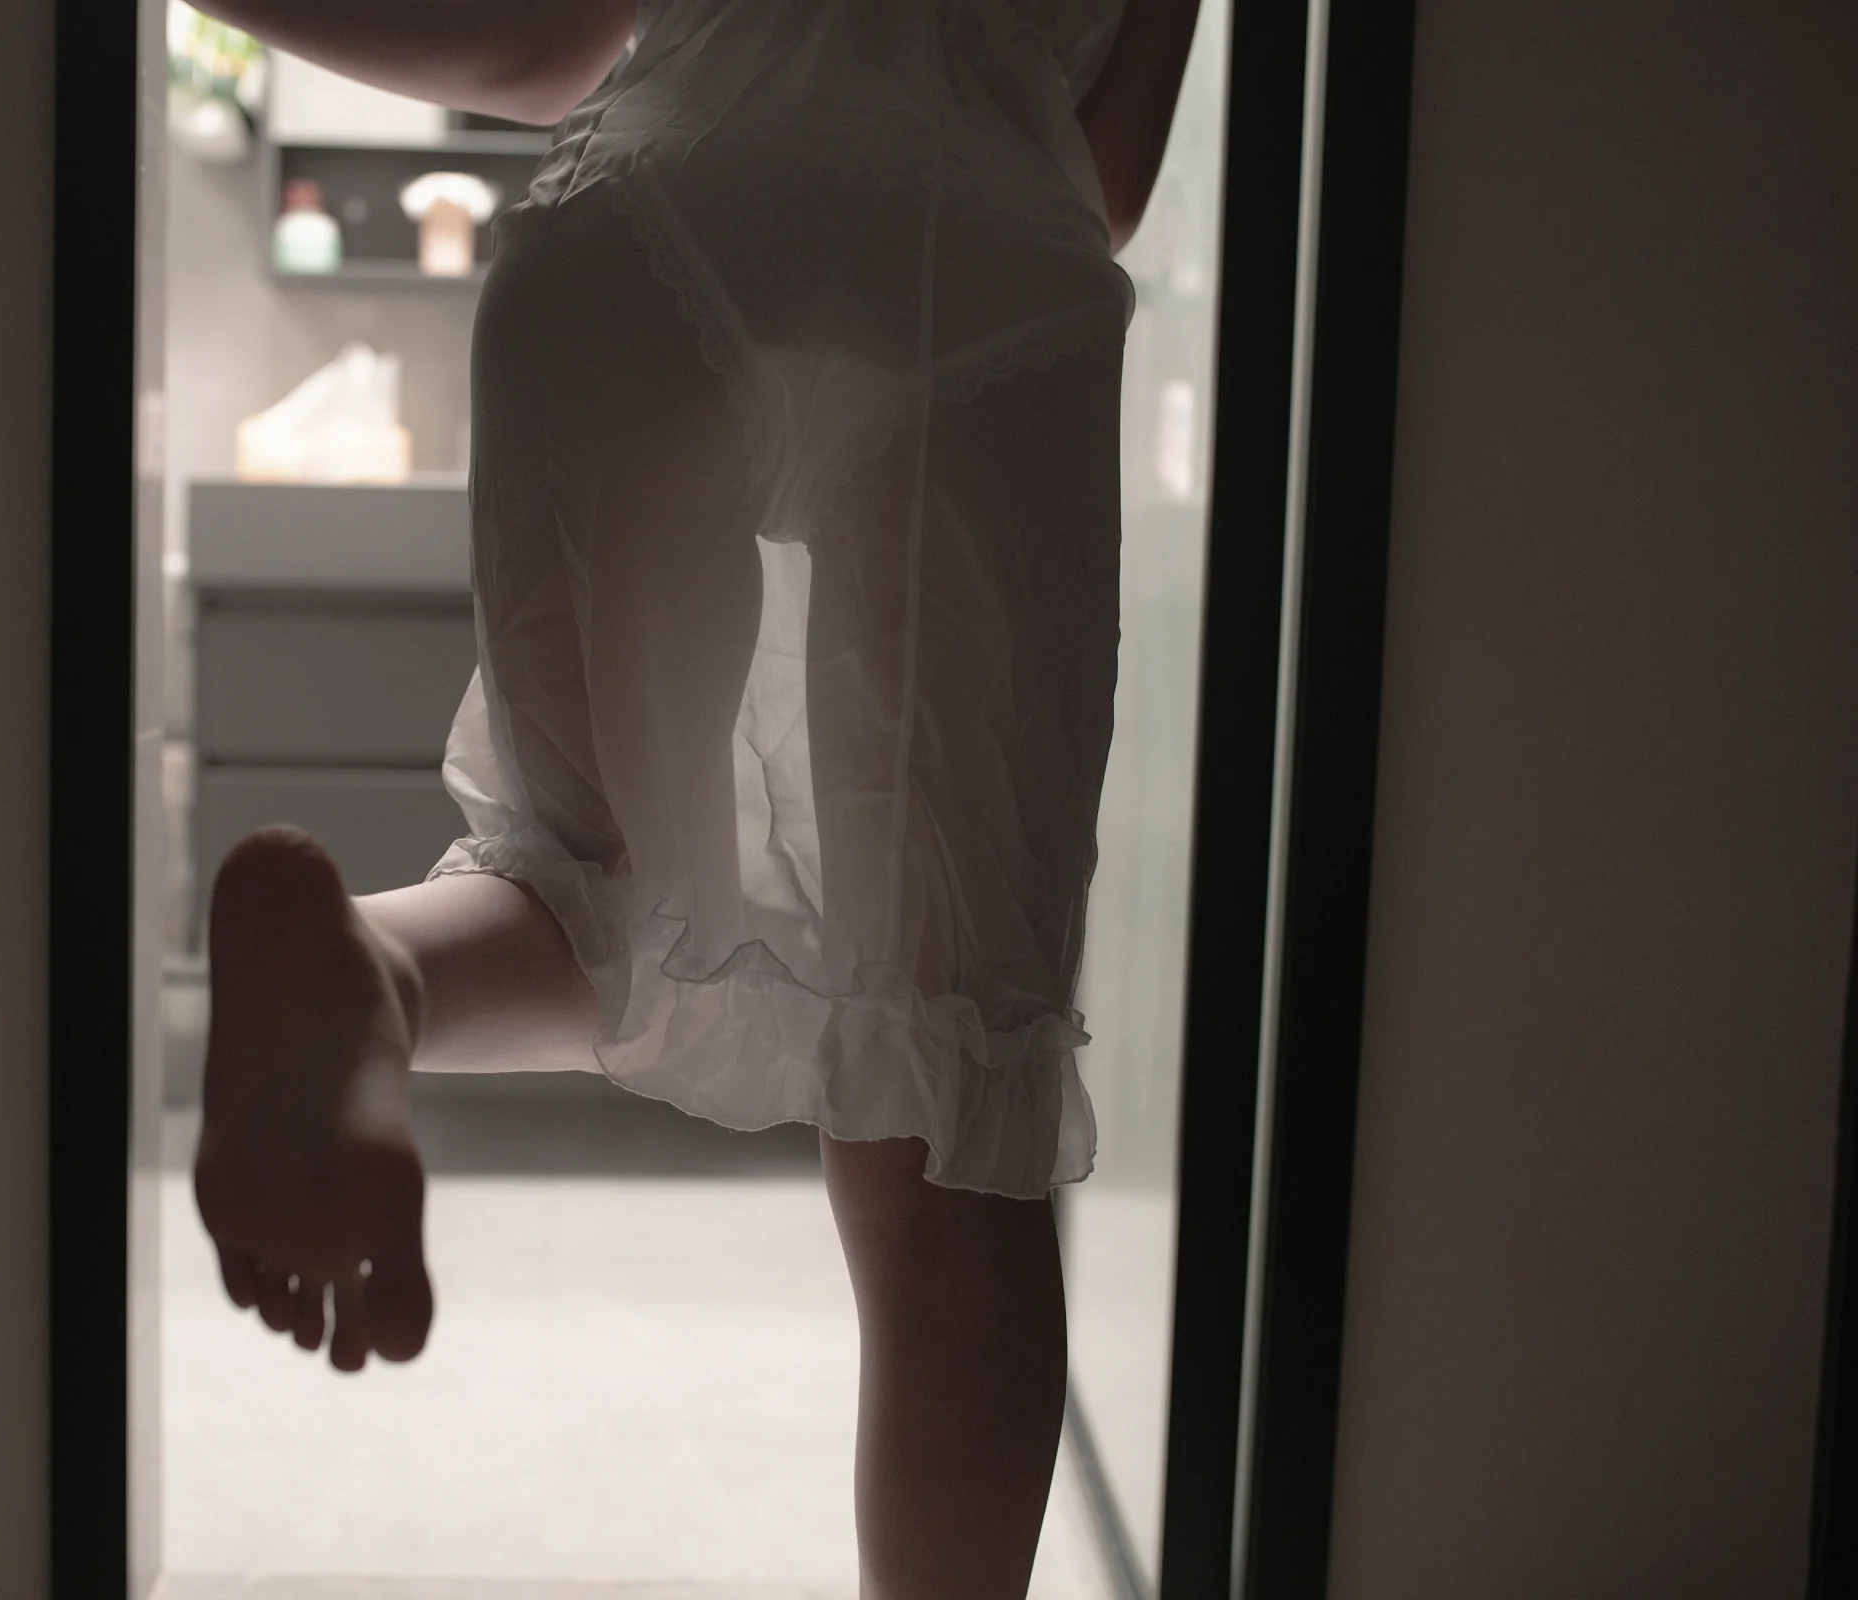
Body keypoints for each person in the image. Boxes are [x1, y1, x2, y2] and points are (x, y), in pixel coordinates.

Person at [190, 1, 1200, 1593]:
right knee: (946, 1106)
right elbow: (1104, 178)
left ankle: (375, 970)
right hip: (972, 282)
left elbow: (532, 51)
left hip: (637, 220)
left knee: (572, 884)